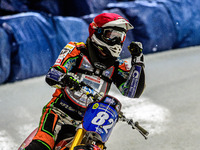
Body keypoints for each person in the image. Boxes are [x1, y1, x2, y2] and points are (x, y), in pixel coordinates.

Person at [25, 13, 145, 150]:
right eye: (112, 36)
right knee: (39, 147)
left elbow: (132, 91)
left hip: (87, 123)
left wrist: (138, 61)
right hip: (59, 113)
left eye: (120, 38)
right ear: (97, 32)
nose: (117, 43)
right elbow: (53, 74)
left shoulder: (117, 66)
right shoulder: (76, 50)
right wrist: (65, 78)